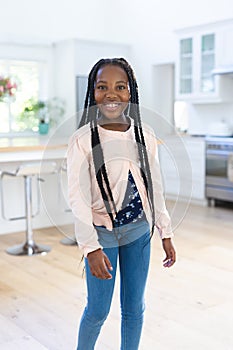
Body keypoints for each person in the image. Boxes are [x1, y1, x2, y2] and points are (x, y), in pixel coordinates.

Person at [67, 57, 176, 350]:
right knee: (98, 310)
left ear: (131, 92)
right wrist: (90, 248)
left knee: (134, 309)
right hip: (103, 235)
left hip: (139, 232)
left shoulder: (145, 135)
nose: (111, 93)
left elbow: (156, 187)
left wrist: (166, 232)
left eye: (120, 87)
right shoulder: (82, 140)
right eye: (102, 87)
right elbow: (77, 200)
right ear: (93, 91)